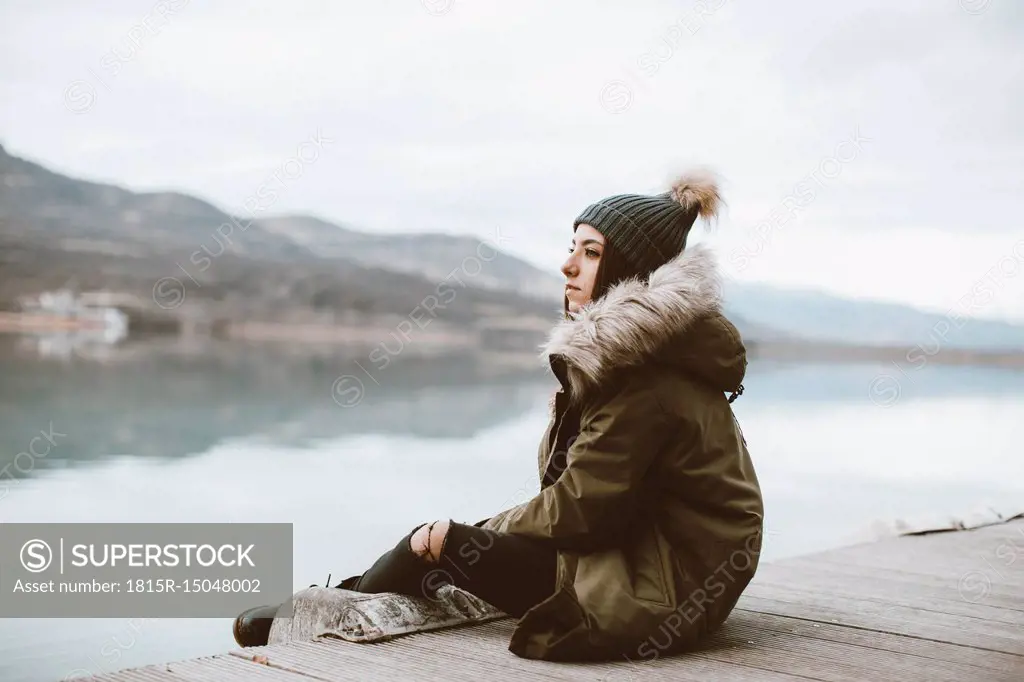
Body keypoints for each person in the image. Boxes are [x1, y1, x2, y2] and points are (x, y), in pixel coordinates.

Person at [234, 170, 764, 662]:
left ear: (630, 271)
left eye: (591, 251)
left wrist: (479, 531)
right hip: (646, 561)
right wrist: (494, 533)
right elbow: (590, 498)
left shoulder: (647, 382)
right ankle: (338, 597)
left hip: (656, 587)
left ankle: (313, 610)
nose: (568, 265)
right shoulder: (648, 361)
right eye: (571, 246)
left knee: (438, 539)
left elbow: (580, 509)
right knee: (458, 544)